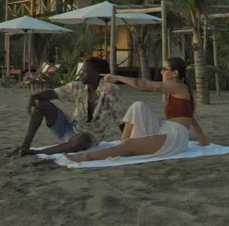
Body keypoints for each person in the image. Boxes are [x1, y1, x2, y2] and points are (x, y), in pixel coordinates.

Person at [64, 56, 207, 163]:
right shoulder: (175, 91)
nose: (161, 72)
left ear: (175, 73)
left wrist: (117, 77)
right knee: (138, 106)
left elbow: (144, 84)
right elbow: (189, 118)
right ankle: (122, 144)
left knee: (130, 146)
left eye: (164, 69)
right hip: (165, 127)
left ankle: (85, 157)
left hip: (174, 135)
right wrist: (203, 141)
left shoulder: (178, 87)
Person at [9, 57, 121, 157]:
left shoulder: (110, 91)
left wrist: (127, 144)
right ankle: (25, 146)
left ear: (98, 74)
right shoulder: (77, 86)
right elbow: (53, 93)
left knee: (82, 139)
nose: (80, 74)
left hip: (87, 137)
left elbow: (120, 118)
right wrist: (33, 96)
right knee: (42, 104)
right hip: (68, 127)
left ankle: (37, 153)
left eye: (84, 71)